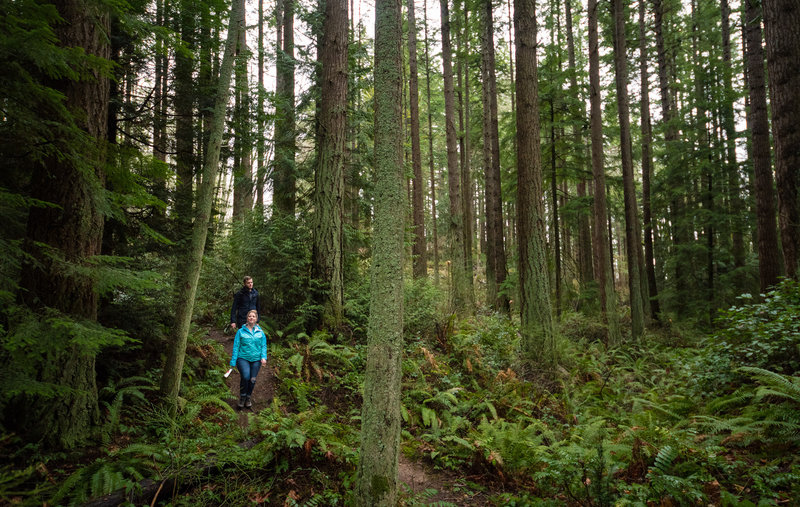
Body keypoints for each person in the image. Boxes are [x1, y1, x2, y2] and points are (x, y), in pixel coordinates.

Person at [230, 309, 267, 408]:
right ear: (247, 318)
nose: (251, 318)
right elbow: (236, 346)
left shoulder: (260, 332)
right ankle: (242, 397)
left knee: (252, 379)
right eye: (250, 316)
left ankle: (248, 397)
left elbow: (263, 345)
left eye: (253, 316)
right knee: (246, 377)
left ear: (256, 319)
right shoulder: (240, 331)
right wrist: (233, 361)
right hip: (243, 358)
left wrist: (264, 357)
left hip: (256, 359)